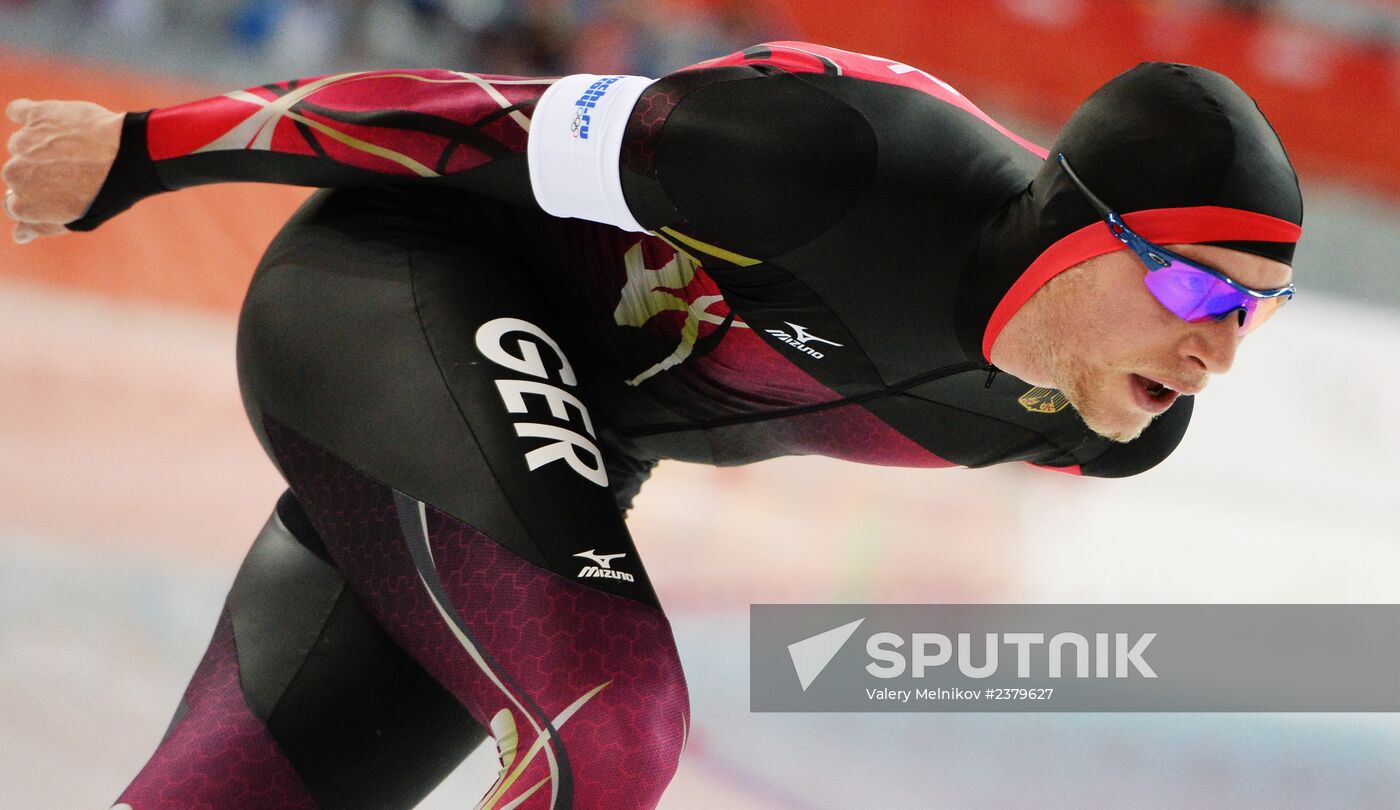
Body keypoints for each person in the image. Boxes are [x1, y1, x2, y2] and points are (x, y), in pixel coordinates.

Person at [2, 41, 1301, 809]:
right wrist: (137, 152)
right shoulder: (837, 158)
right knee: (613, 716)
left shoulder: (1106, 422)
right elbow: (477, 119)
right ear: (1077, 225)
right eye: (1197, 284)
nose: (1219, 350)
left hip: (541, 447)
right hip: (395, 285)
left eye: (1260, 311)